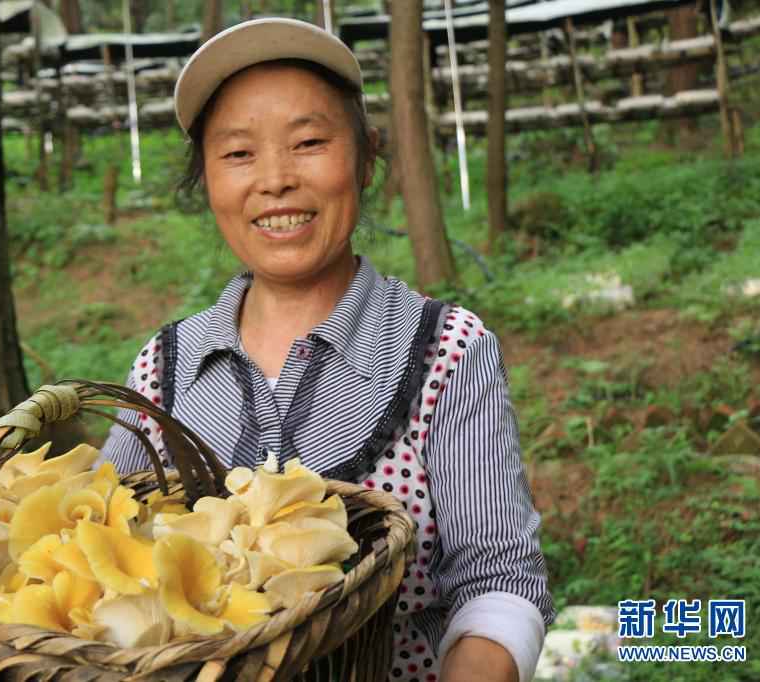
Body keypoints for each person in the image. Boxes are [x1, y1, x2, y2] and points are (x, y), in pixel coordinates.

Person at [102, 18, 554, 682]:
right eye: (237, 154)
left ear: (366, 156)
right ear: (206, 180)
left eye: (309, 142)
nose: (275, 180)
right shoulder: (165, 370)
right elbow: (98, 560)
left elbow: (497, 581)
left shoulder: (444, 351)